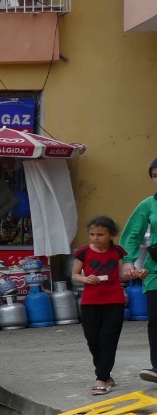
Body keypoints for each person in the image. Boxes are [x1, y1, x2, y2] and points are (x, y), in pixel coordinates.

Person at [74, 215, 127, 397]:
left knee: (108, 340)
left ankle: (102, 379)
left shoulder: (118, 252)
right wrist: (85, 278)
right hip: (90, 302)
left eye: (100, 234)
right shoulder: (84, 252)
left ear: (111, 235)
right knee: (93, 340)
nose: (96, 238)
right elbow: (75, 274)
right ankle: (105, 373)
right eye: (92, 234)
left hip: (114, 301)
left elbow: (122, 275)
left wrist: (137, 274)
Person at [120, 157, 157, 384]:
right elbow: (132, 234)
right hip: (155, 273)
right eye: (155, 176)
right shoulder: (148, 205)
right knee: (156, 321)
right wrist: (128, 260)